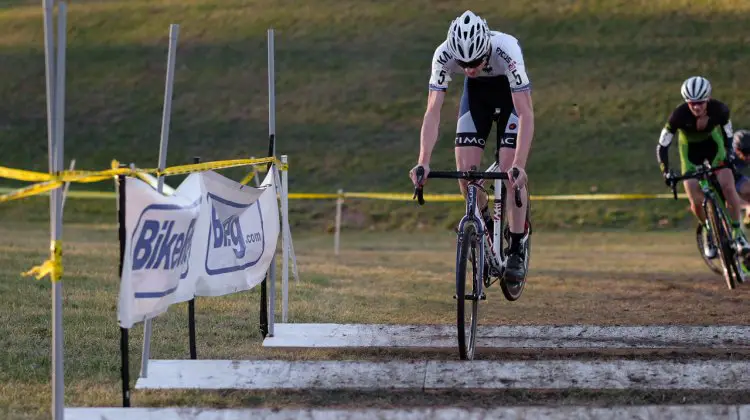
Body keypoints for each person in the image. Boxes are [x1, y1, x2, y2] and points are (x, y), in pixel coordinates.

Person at [408, 10, 534, 285]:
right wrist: (423, 161)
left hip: (510, 97)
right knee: (465, 171)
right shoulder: (443, 54)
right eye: (463, 63)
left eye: (475, 61)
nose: (469, 69)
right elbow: (433, 111)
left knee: (509, 169)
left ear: (486, 49)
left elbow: (525, 112)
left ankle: (516, 247)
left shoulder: (507, 49)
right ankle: (485, 225)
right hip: (476, 98)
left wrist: (520, 165)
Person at [657, 76, 750, 259]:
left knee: (728, 185)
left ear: (707, 99)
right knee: (694, 199)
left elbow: (728, 135)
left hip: (714, 148)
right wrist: (666, 171)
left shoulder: (720, 110)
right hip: (690, 153)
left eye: (700, 102)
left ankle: (738, 235)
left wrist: (730, 156)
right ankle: (709, 231)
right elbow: (662, 145)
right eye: (692, 103)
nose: (696, 107)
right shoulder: (678, 115)